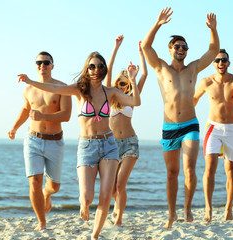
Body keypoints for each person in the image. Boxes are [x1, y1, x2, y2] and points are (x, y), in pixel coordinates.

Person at [17, 51, 141, 239]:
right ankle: (83, 204)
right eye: (92, 66)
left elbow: (136, 102)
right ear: (87, 68)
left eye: (99, 66)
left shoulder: (111, 92)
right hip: (87, 146)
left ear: (104, 69)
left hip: (109, 144)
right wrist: (31, 82)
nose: (96, 69)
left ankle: (95, 235)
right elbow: (53, 88)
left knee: (106, 195)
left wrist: (132, 80)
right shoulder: (79, 89)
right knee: (87, 197)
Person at [141, 7, 220, 228]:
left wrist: (213, 30)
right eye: (177, 46)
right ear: (170, 49)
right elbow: (146, 46)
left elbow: (213, 50)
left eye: (185, 47)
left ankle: (187, 208)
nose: (182, 49)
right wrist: (157, 24)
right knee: (171, 173)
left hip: (190, 125)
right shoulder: (160, 68)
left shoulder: (193, 68)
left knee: (189, 169)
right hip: (169, 127)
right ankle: (171, 213)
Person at [8, 51, 72, 231]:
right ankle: (42, 222)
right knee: (34, 182)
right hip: (33, 140)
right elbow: (25, 109)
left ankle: (47, 193)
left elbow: (66, 115)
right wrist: (14, 127)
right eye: (39, 62)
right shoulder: (28, 89)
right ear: (35, 65)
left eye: (46, 62)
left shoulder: (63, 87)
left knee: (54, 187)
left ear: (52, 65)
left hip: (55, 142)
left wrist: (43, 115)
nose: (42, 65)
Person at [193, 49, 233, 222]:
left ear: (228, 62)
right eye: (217, 60)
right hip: (213, 128)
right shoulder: (206, 82)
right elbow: (193, 100)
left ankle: (228, 209)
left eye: (224, 60)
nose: (221, 63)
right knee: (210, 168)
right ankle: (208, 210)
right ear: (213, 63)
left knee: (231, 170)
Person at [105, 35, 148, 226]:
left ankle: (119, 219)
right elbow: (109, 69)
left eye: (124, 83)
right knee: (113, 189)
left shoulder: (132, 97)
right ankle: (117, 207)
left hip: (130, 143)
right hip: (112, 146)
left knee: (120, 184)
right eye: (118, 83)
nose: (120, 86)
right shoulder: (109, 96)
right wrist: (116, 47)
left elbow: (145, 74)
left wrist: (141, 52)